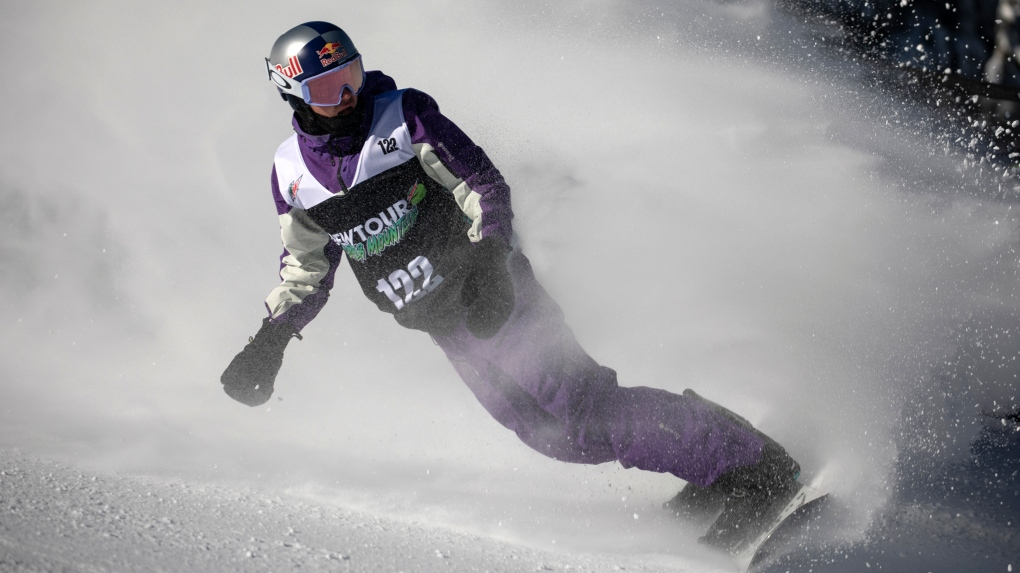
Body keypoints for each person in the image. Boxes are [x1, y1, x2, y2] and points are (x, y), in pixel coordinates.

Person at [221, 20, 804, 551]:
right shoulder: (292, 174)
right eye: (327, 89)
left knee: (584, 409)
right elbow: (306, 269)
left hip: (496, 293)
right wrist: (269, 341)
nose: (346, 95)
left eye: (349, 76)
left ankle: (754, 469)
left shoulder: (402, 117)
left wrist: (492, 263)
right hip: (444, 324)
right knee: (551, 436)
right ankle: (700, 453)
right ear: (292, 93)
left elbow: (483, 184)